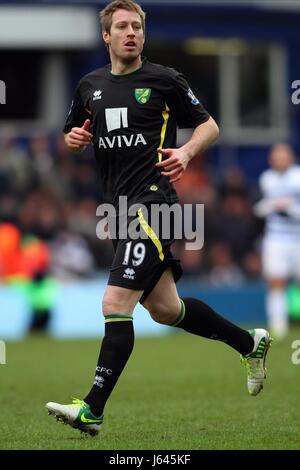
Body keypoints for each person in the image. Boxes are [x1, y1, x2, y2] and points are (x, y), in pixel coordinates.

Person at [46, 0, 272, 436]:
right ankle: (251, 343)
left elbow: (209, 126)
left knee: (114, 304)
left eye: (137, 27)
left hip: (155, 206)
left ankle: (92, 410)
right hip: (117, 210)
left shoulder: (164, 80)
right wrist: (72, 140)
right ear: (106, 37)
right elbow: (72, 136)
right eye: (122, 27)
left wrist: (186, 151)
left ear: (143, 36)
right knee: (167, 310)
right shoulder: (89, 87)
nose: (130, 33)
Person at [254, 143, 300, 339]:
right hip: (276, 237)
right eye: (276, 156)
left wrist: (290, 209)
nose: (279, 159)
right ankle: (278, 325)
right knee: (276, 281)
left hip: (297, 236)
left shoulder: (298, 176)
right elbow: (261, 208)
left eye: (283, 155)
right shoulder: (267, 179)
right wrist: (269, 206)